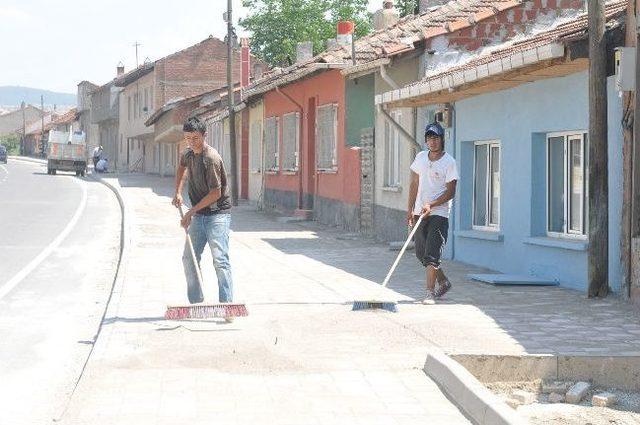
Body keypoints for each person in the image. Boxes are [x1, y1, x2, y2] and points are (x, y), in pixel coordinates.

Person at [172, 117, 234, 320]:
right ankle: (196, 304)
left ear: (204, 136)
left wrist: (190, 212)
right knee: (188, 259)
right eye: (187, 138)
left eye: (195, 138)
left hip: (217, 215)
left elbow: (215, 193)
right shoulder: (188, 154)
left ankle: (227, 307)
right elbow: (181, 168)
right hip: (199, 215)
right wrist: (178, 192)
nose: (191, 142)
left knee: (220, 260)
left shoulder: (211, 158)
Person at [408, 122, 459, 305]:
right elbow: (414, 184)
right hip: (420, 212)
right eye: (429, 138)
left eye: (436, 138)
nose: (433, 141)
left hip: (439, 214)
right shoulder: (421, 158)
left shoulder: (449, 162)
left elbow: (451, 192)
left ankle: (429, 293)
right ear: (426, 141)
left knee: (432, 253)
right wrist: (410, 210)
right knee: (421, 253)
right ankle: (443, 281)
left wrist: (432, 204)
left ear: (442, 139)